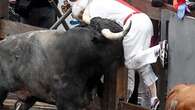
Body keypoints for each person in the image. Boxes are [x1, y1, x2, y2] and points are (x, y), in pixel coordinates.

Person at [66, 0, 168, 109]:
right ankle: (154, 98)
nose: (82, 19)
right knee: (143, 65)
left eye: (80, 17)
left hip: (132, 25)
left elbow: (98, 26)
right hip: (143, 21)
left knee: (130, 62)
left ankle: (157, 50)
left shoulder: (93, 9)